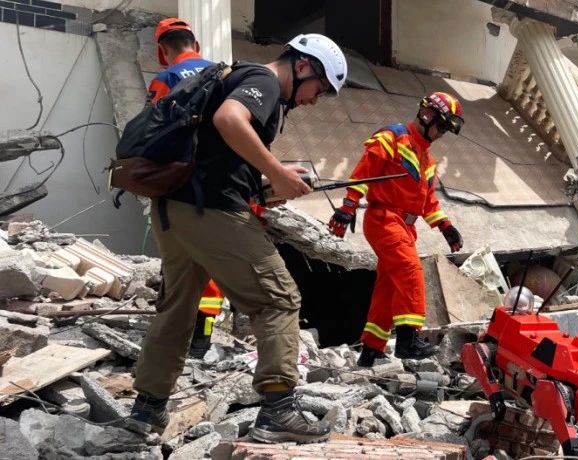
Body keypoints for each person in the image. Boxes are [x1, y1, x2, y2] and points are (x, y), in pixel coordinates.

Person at [124, 33, 348, 444]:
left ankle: (147, 409)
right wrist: (277, 171)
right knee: (279, 298)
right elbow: (229, 120)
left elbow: (218, 156)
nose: (315, 100)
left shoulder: (239, 76)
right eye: (319, 89)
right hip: (208, 209)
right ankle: (279, 411)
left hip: (173, 208)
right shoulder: (264, 80)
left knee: (177, 305)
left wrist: (268, 185)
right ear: (302, 66)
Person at [328, 92, 465, 367]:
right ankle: (408, 339)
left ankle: (371, 350)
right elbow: (363, 173)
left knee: (389, 288)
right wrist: (347, 207)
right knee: (410, 270)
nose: (441, 134)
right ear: (427, 115)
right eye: (440, 126)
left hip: (404, 226)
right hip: (384, 219)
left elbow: (428, 202)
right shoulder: (391, 138)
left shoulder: (428, 161)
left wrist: (446, 226)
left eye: (445, 130)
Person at [144, 17, 225, 359]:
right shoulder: (224, 73)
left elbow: (150, 131)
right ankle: (203, 338)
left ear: (162, 51)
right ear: (197, 44)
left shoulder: (166, 79)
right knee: (213, 258)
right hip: (221, 183)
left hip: (180, 184)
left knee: (179, 259)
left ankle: (174, 335)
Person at [146, 18, 213, 105]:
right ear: (196, 46)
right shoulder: (223, 71)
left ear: (163, 49)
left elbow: (152, 112)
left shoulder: (167, 77)